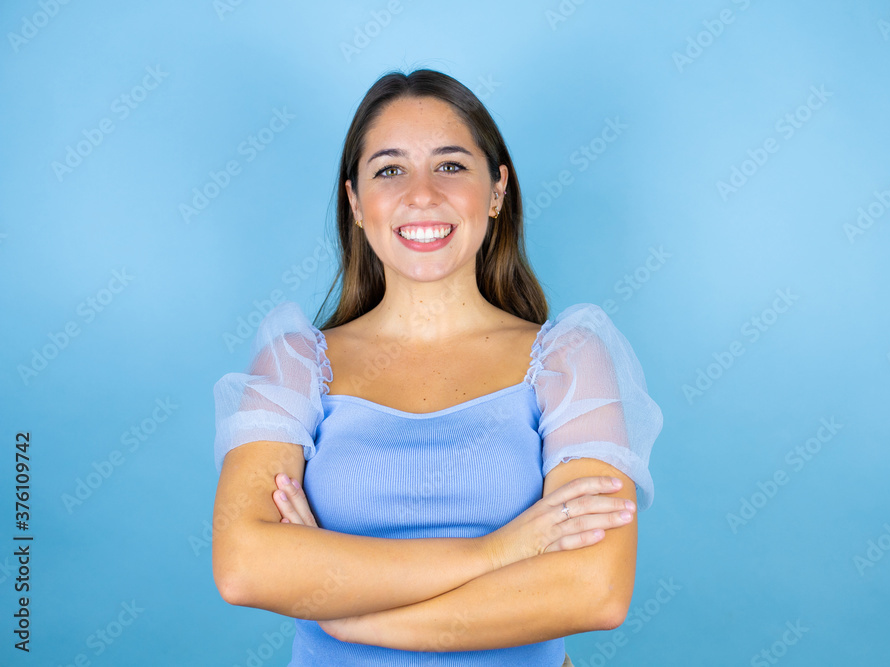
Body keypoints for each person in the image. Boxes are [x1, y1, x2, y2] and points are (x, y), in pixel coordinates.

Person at [211, 68, 663, 666]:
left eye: (450, 165)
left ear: (497, 190)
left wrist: (343, 613)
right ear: (355, 202)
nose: (421, 194)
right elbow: (244, 567)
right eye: (390, 169)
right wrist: (498, 553)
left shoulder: (570, 360)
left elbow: (594, 593)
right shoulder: (295, 363)